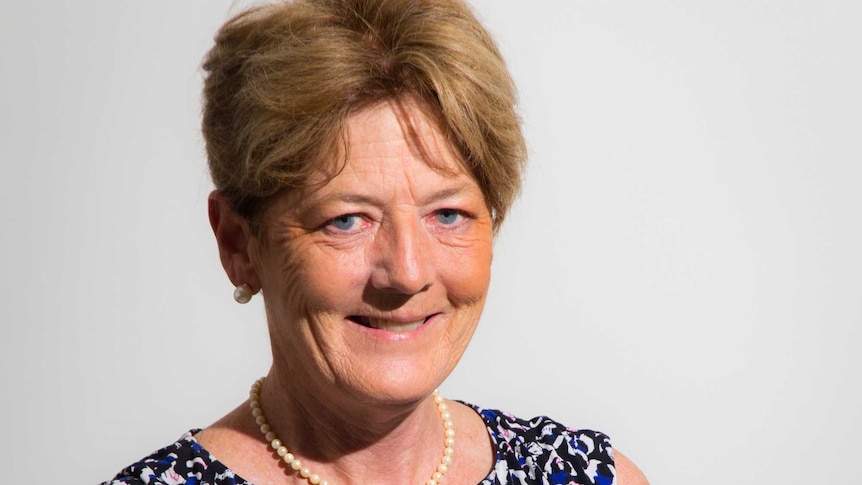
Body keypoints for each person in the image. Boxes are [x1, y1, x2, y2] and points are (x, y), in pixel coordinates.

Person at [103, 0, 648, 484]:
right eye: (347, 221)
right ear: (238, 243)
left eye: (449, 214)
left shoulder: (589, 479)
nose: (408, 272)